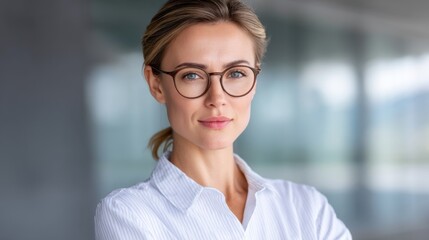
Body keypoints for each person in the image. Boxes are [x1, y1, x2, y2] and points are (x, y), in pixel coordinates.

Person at [95, 0, 352, 239]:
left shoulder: (306, 207)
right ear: (156, 84)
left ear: (255, 82)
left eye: (236, 73)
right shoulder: (130, 214)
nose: (217, 98)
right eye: (192, 75)